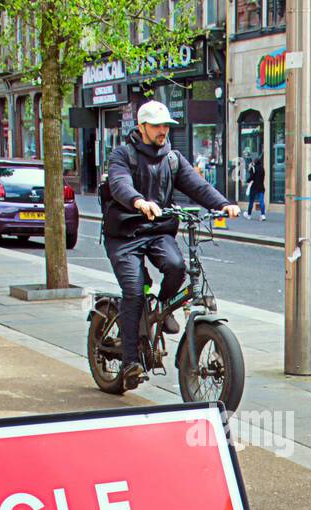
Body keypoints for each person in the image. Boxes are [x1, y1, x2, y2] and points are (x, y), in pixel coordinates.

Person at [102, 100, 240, 391]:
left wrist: (224, 204)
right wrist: (138, 201)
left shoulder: (173, 159)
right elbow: (119, 184)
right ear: (141, 127)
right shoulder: (122, 155)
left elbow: (197, 186)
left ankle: (161, 309)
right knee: (133, 290)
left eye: (166, 125)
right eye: (156, 126)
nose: (163, 131)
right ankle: (130, 362)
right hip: (125, 235)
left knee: (177, 267)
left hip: (157, 230)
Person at [245, 156, 266, 220]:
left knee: (251, 201)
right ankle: (263, 215)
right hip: (261, 186)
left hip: (254, 186)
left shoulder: (253, 168)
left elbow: (251, 177)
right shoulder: (262, 168)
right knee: (261, 201)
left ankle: (249, 214)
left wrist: (247, 181)